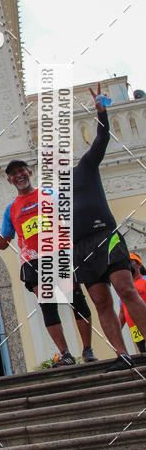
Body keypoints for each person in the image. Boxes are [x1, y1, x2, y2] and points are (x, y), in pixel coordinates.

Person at [0, 161, 94, 367]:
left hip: (58, 254)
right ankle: (65, 354)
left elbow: (72, 218)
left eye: (21, 171)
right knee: (48, 307)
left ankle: (87, 350)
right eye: (13, 174)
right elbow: (3, 242)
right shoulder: (11, 209)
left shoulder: (50, 195)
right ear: (10, 180)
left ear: (29, 172)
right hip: (33, 260)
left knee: (77, 301)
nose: (19, 175)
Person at [73, 86, 146, 371]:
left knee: (126, 289)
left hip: (105, 236)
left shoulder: (86, 166)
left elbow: (102, 139)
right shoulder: (53, 193)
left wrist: (101, 113)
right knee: (101, 301)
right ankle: (121, 354)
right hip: (81, 249)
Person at [118, 253, 146, 355]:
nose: (128, 264)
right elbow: (122, 311)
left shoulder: (144, 280)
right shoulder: (123, 287)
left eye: (131, 261)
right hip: (134, 328)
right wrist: (116, 330)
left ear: (139, 264)